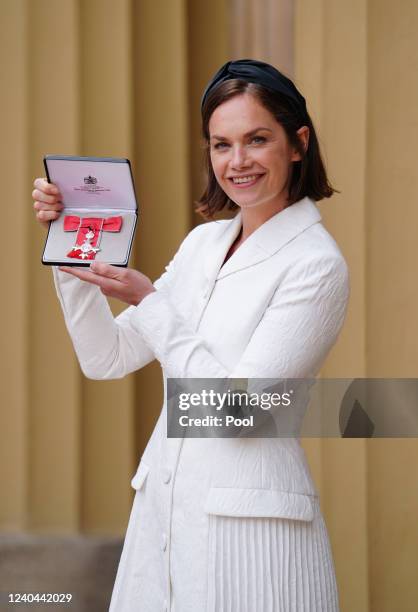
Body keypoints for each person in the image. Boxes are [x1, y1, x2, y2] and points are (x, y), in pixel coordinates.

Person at [32, 59, 349, 611]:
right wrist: (72, 254)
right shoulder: (204, 244)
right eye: (220, 144)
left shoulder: (316, 266)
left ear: (298, 144)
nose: (237, 161)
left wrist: (150, 302)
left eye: (256, 139)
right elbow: (106, 358)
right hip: (166, 514)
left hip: (253, 538)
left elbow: (239, 415)